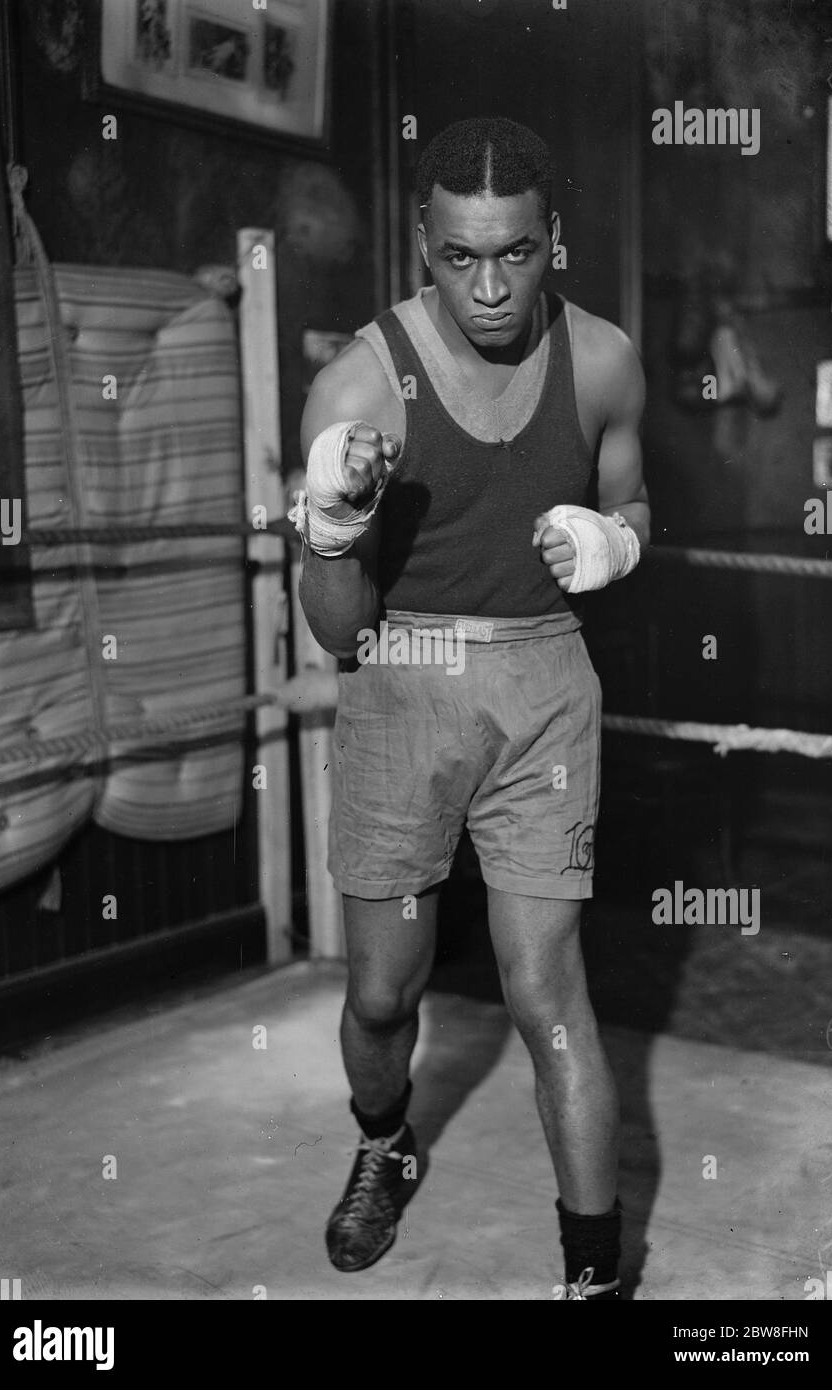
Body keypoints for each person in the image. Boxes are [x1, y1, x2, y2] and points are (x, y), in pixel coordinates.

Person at [290, 117, 649, 1300]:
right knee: (381, 993)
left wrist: (617, 544)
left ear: (554, 240)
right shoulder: (358, 384)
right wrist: (333, 530)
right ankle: (384, 1145)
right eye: (458, 258)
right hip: (401, 683)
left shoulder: (600, 359)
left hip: (544, 685)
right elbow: (335, 631)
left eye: (513, 255)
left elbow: (632, 496)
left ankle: (592, 1274)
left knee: (548, 995)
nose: (488, 288)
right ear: (420, 245)